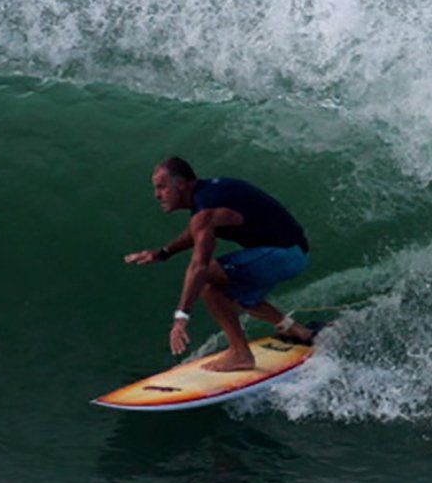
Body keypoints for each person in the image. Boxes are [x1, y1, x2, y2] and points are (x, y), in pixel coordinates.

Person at [124, 157, 314, 371]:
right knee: (227, 290)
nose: (157, 195)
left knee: (209, 282)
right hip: (291, 253)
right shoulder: (207, 197)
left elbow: (200, 266)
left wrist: (181, 318)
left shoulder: (205, 209)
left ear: (180, 184)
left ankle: (241, 355)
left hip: (285, 255)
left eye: (161, 187)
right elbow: (195, 231)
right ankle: (296, 331)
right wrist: (165, 252)